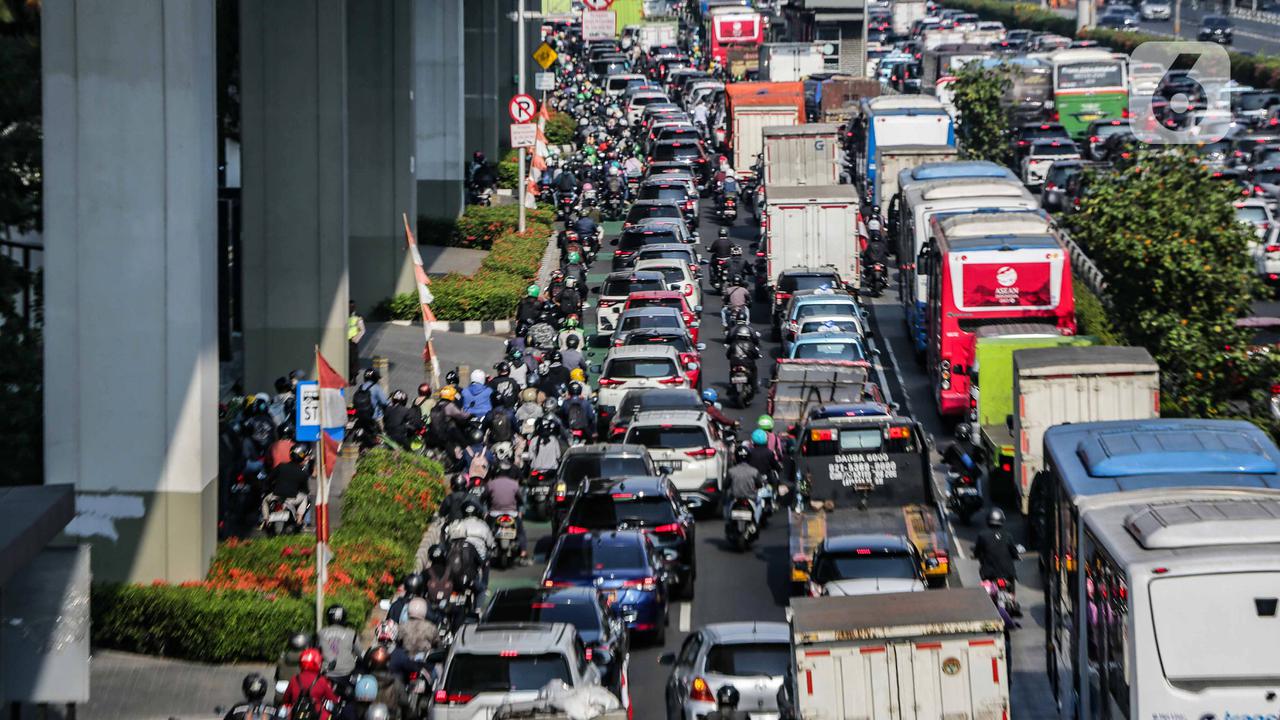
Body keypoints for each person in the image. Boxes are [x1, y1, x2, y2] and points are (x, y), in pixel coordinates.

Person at [483, 463, 528, 562]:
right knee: (520, 531)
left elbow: (483, 498)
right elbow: (520, 500)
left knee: (487, 530)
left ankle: (484, 550)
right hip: (512, 513)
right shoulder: (514, 484)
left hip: (494, 513)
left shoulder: (491, 484)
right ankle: (523, 551)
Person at [282, 648, 340, 720]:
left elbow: (286, 700)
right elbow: (333, 700)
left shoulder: (294, 679)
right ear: (318, 661)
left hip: (296, 715)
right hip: (317, 716)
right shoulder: (321, 680)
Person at [263, 443, 311, 526]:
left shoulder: (281, 466)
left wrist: (267, 488)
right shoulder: (303, 473)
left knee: (265, 501)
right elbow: (305, 491)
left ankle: (266, 520)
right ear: (302, 457)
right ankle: (299, 520)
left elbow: (268, 479)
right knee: (305, 498)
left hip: (276, 496)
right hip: (291, 499)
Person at [974, 508, 1020, 589]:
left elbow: (977, 551)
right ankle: (1012, 599)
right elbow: (1014, 551)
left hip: (989, 573)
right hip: (1008, 573)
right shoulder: (1007, 535)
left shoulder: (982, 535)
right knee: (1011, 594)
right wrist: (1016, 555)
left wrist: (976, 555)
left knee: (986, 595)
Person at [318, 604, 361, 688]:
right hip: (347, 673)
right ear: (344, 617)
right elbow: (361, 654)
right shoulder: (351, 633)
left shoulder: (320, 633)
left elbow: (315, 651)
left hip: (326, 673)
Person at [725, 445, 764, 521]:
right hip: (751, 498)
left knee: (726, 502)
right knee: (760, 501)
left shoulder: (731, 471)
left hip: (735, 497)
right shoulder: (754, 471)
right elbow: (760, 484)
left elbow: (725, 485)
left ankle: (727, 520)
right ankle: (756, 521)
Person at [352, 369, 389, 441]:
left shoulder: (361, 387)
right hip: (373, 417)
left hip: (360, 417)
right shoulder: (376, 388)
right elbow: (385, 402)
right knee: (382, 434)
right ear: (375, 378)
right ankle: (382, 438)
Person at [348, 302, 366, 385]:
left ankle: (354, 378)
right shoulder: (345, 315)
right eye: (349, 306)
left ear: (354, 307)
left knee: (353, 360)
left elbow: (362, 330)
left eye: (352, 306)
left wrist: (355, 339)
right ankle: (349, 377)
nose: (350, 308)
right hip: (345, 342)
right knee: (348, 360)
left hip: (352, 342)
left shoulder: (358, 317)